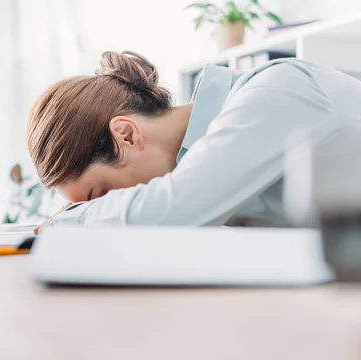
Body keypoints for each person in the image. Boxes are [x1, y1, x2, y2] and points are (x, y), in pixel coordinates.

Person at [27, 51, 361, 229]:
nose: (105, 206)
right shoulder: (213, 151)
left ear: (127, 135)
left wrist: (73, 220)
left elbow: (176, 212)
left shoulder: (277, 90)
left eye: (100, 195)